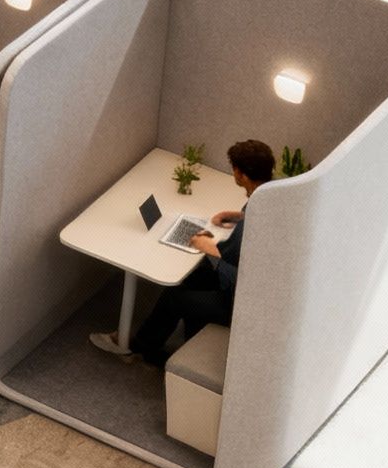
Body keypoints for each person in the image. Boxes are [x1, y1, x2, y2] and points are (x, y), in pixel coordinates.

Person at [91, 139, 275, 366]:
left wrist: (207, 247)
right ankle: (188, 337)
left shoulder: (257, 208)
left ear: (241, 173)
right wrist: (237, 217)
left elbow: (233, 270)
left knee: (175, 297)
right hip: (256, 285)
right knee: (190, 278)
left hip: (241, 299)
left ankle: (138, 349)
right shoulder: (271, 197)